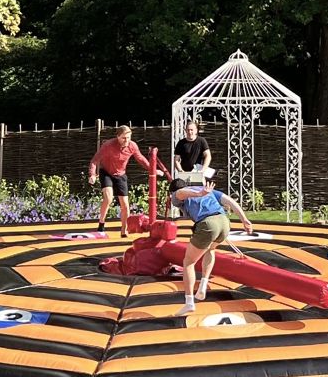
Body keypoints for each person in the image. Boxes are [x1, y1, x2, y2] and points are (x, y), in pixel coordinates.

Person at [169, 179, 252, 316]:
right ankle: (203, 285)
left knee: (188, 262)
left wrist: (199, 194)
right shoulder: (207, 190)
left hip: (208, 224)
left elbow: (180, 193)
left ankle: (189, 302)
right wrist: (244, 220)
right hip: (224, 222)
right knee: (211, 249)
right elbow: (230, 201)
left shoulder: (179, 194)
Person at [88, 125, 157, 237]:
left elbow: (141, 159)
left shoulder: (132, 146)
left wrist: (152, 169)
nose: (126, 140)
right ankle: (101, 223)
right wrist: (92, 175)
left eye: (128, 137)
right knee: (108, 198)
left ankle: (124, 230)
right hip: (106, 172)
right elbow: (94, 161)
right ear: (117, 136)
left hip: (120, 175)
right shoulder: (108, 145)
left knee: (125, 204)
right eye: (124, 138)